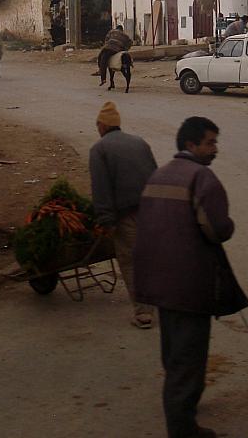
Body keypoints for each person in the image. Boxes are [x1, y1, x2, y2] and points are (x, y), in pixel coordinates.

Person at [134, 117, 247, 438]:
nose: (215, 149)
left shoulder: (159, 175)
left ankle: (182, 414)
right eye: (210, 143)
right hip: (190, 286)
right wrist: (229, 225)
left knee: (173, 354)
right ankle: (183, 429)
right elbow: (216, 229)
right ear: (191, 144)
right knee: (189, 360)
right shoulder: (201, 177)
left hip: (159, 283)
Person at [88, 101, 158, 329]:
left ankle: (143, 313)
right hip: (152, 210)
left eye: (97, 125)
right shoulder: (139, 142)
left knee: (130, 261)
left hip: (127, 215)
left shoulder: (99, 149)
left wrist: (106, 220)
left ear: (102, 125)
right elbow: (155, 174)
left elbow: (101, 188)